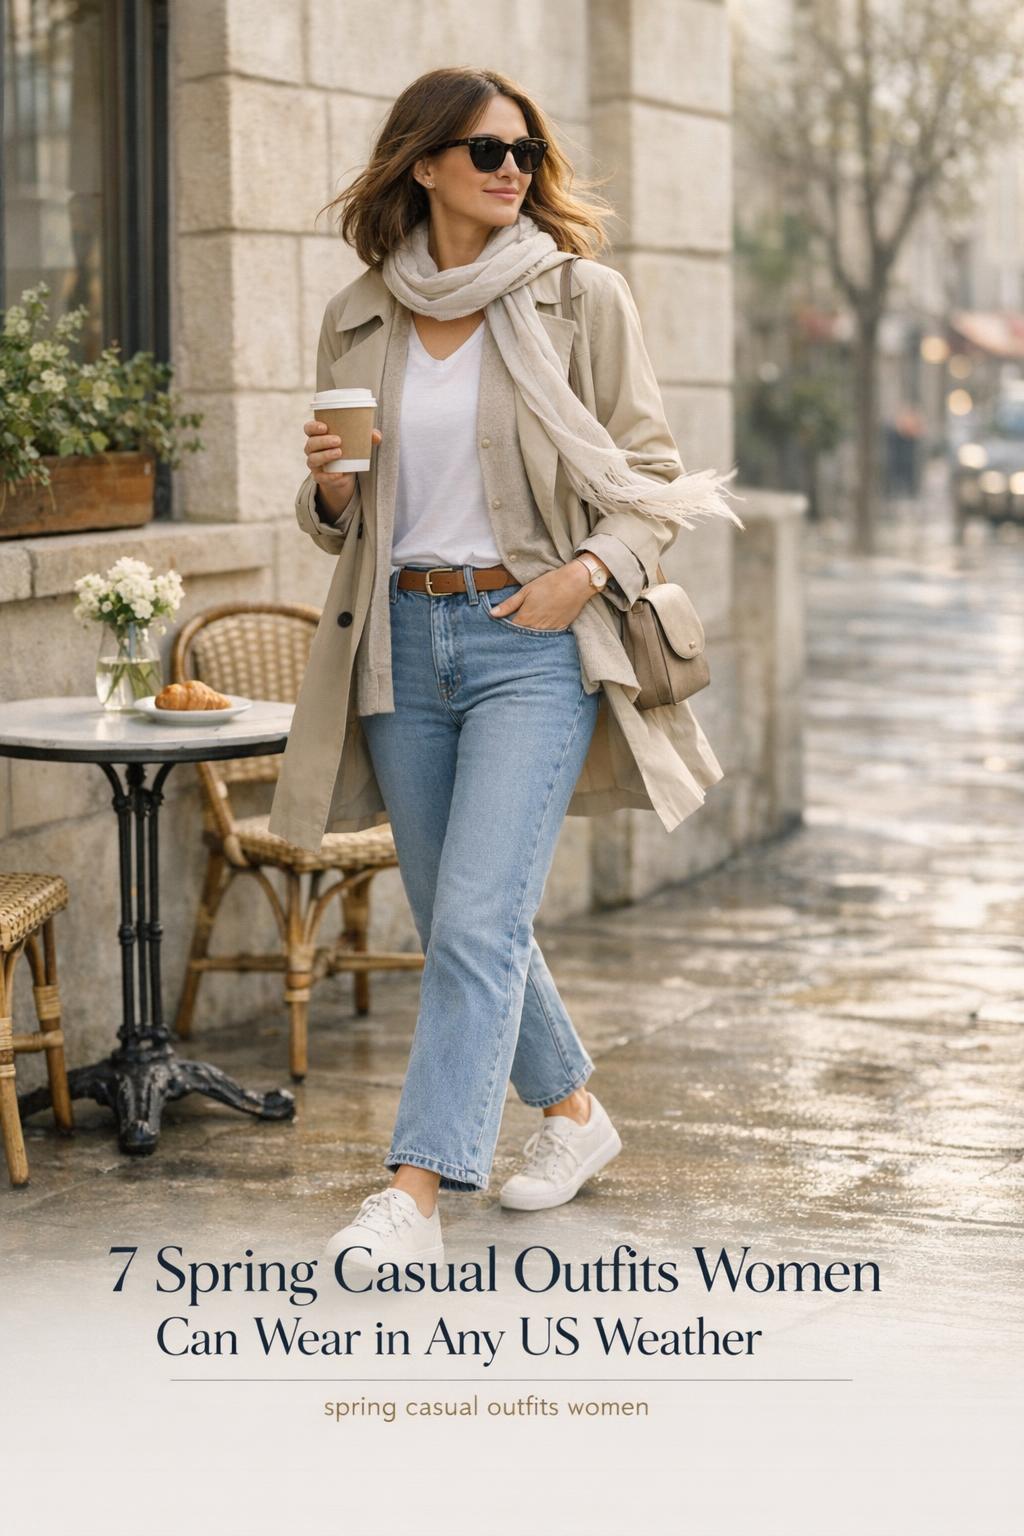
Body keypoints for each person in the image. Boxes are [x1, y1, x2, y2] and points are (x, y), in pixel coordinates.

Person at [276, 66, 742, 1269]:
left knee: (479, 921)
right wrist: (330, 490)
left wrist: (581, 575)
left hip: (529, 642)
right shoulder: (358, 313)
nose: (511, 172)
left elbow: (652, 482)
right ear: (421, 164)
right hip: (398, 643)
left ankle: (413, 1194)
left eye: (525, 153)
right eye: (487, 152)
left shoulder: (579, 300)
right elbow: (344, 518)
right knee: (461, 924)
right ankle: (575, 1118)